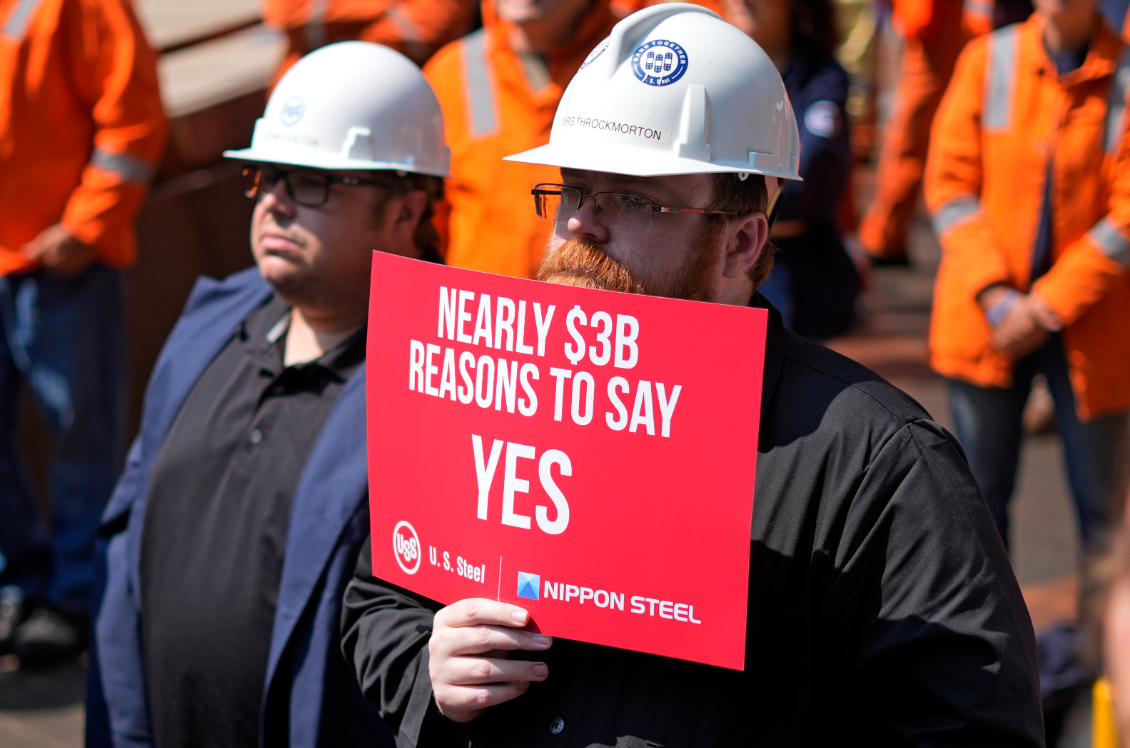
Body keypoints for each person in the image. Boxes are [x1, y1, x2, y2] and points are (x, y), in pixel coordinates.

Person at [341, 5, 1044, 745]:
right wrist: (428, 668)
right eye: (573, 190)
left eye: (634, 198)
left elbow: (970, 723)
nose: (582, 224)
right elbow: (380, 598)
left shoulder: (878, 460)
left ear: (742, 241)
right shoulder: (499, 395)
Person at [86, 42, 448, 748]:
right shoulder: (209, 325)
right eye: (267, 174)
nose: (276, 201)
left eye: (313, 181)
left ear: (405, 211)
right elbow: (127, 543)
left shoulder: (448, 384)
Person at [924, 0, 1130, 556]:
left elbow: (1126, 216)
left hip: (1090, 319)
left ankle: (1099, 644)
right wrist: (996, 296)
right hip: (986, 314)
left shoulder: (1125, 75)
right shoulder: (987, 60)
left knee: (1102, 513)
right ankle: (991, 644)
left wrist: (1044, 307)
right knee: (977, 508)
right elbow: (949, 186)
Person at [0, 0, 167, 665]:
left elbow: (133, 113)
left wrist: (85, 227)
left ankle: (79, 595)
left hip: (57, 263)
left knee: (79, 434)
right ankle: (20, 582)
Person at [424, 0, 618, 279]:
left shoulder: (640, 68)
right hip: (479, 315)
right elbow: (426, 229)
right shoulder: (450, 71)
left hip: (589, 315)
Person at [723, 0, 861, 338]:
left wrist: (710, 203)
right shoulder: (708, 67)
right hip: (717, 269)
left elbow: (802, 187)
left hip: (797, 272)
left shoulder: (823, 77)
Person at [856, 0, 977, 264]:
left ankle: (887, 233)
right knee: (912, 134)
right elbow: (922, 22)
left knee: (914, 130)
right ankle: (883, 234)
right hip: (932, 31)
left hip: (942, 30)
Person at [262, 0, 476, 80]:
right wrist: (390, 5)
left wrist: (339, 24)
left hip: (397, 97)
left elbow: (431, 24)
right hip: (305, 88)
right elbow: (288, 12)